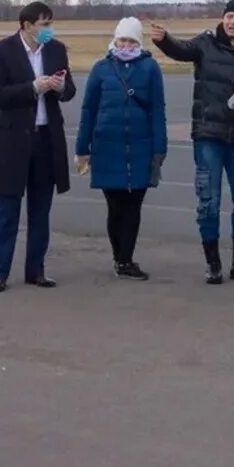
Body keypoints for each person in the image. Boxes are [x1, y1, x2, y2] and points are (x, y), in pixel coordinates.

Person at [149, 0, 234, 284]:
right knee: (209, 200)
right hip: (208, 136)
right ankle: (213, 263)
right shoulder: (206, 43)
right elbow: (182, 50)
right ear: (223, 18)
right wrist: (164, 39)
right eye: (229, 16)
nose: (232, 22)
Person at [0, 0, 77, 293]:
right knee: (7, 209)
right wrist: (33, 88)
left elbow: (70, 89)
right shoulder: (1, 51)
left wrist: (61, 87)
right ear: (26, 26)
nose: (49, 30)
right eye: (44, 25)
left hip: (46, 138)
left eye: (51, 24)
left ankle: (36, 269)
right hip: (12, 140)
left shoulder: (56, 50)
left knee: (41, 209)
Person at [74, 17, 167, 281]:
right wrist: (83, 147)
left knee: (133, 205)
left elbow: (157, 111)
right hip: (107, 147)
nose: (125, 45)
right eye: (121, 40)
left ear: (139, 42)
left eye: (130, 41)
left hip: (140, 148)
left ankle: (126, 259)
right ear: (114, 40)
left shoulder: (150, 68)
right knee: (115, 206)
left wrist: (159, 148)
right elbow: (88, 110)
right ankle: (119, 258)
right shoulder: (101, 69)